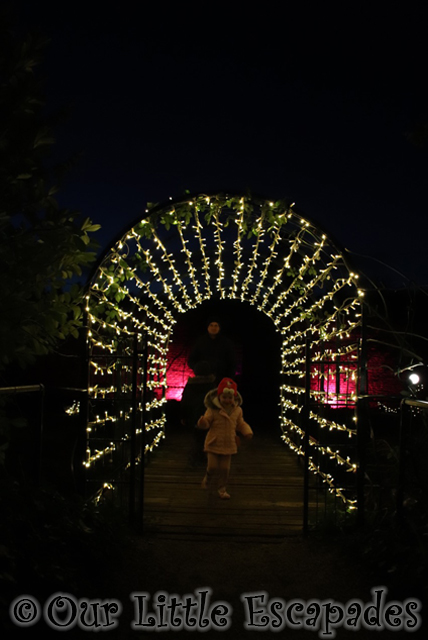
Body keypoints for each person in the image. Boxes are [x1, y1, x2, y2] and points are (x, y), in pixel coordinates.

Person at [197, 377, 253, 499]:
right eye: (224, 397)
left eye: (230, 398)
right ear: (219, 397)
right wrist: (203, 423)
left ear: (234, 398)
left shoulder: (237, 410)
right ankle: (208, 478)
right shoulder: (212, 410)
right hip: (214, 442)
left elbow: (240, 423)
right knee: (212, 466)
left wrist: (247, 432)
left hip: (229, 443)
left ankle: (222, 489)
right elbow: (207, 422)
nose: (227, 400)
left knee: (225, 469)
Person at [180, 360, 216, 466]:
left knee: (196, 437)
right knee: (207, 435)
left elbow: (185, 400)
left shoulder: (190, 385)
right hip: (208, 414)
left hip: (193, 414)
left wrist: (183, 415)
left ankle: (196, 457)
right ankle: (206, 456)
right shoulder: (211, 385)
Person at [187, 317, 237, 385]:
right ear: (208, 327)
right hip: (203, 379)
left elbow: (232, 362)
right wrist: (199, 368)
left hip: (221, 379)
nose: (213, 328)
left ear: (219, 328)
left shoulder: (226, 343)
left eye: (216, 325)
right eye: (211, 325)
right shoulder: (200, 342)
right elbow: (191, 359)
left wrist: (229, 378)